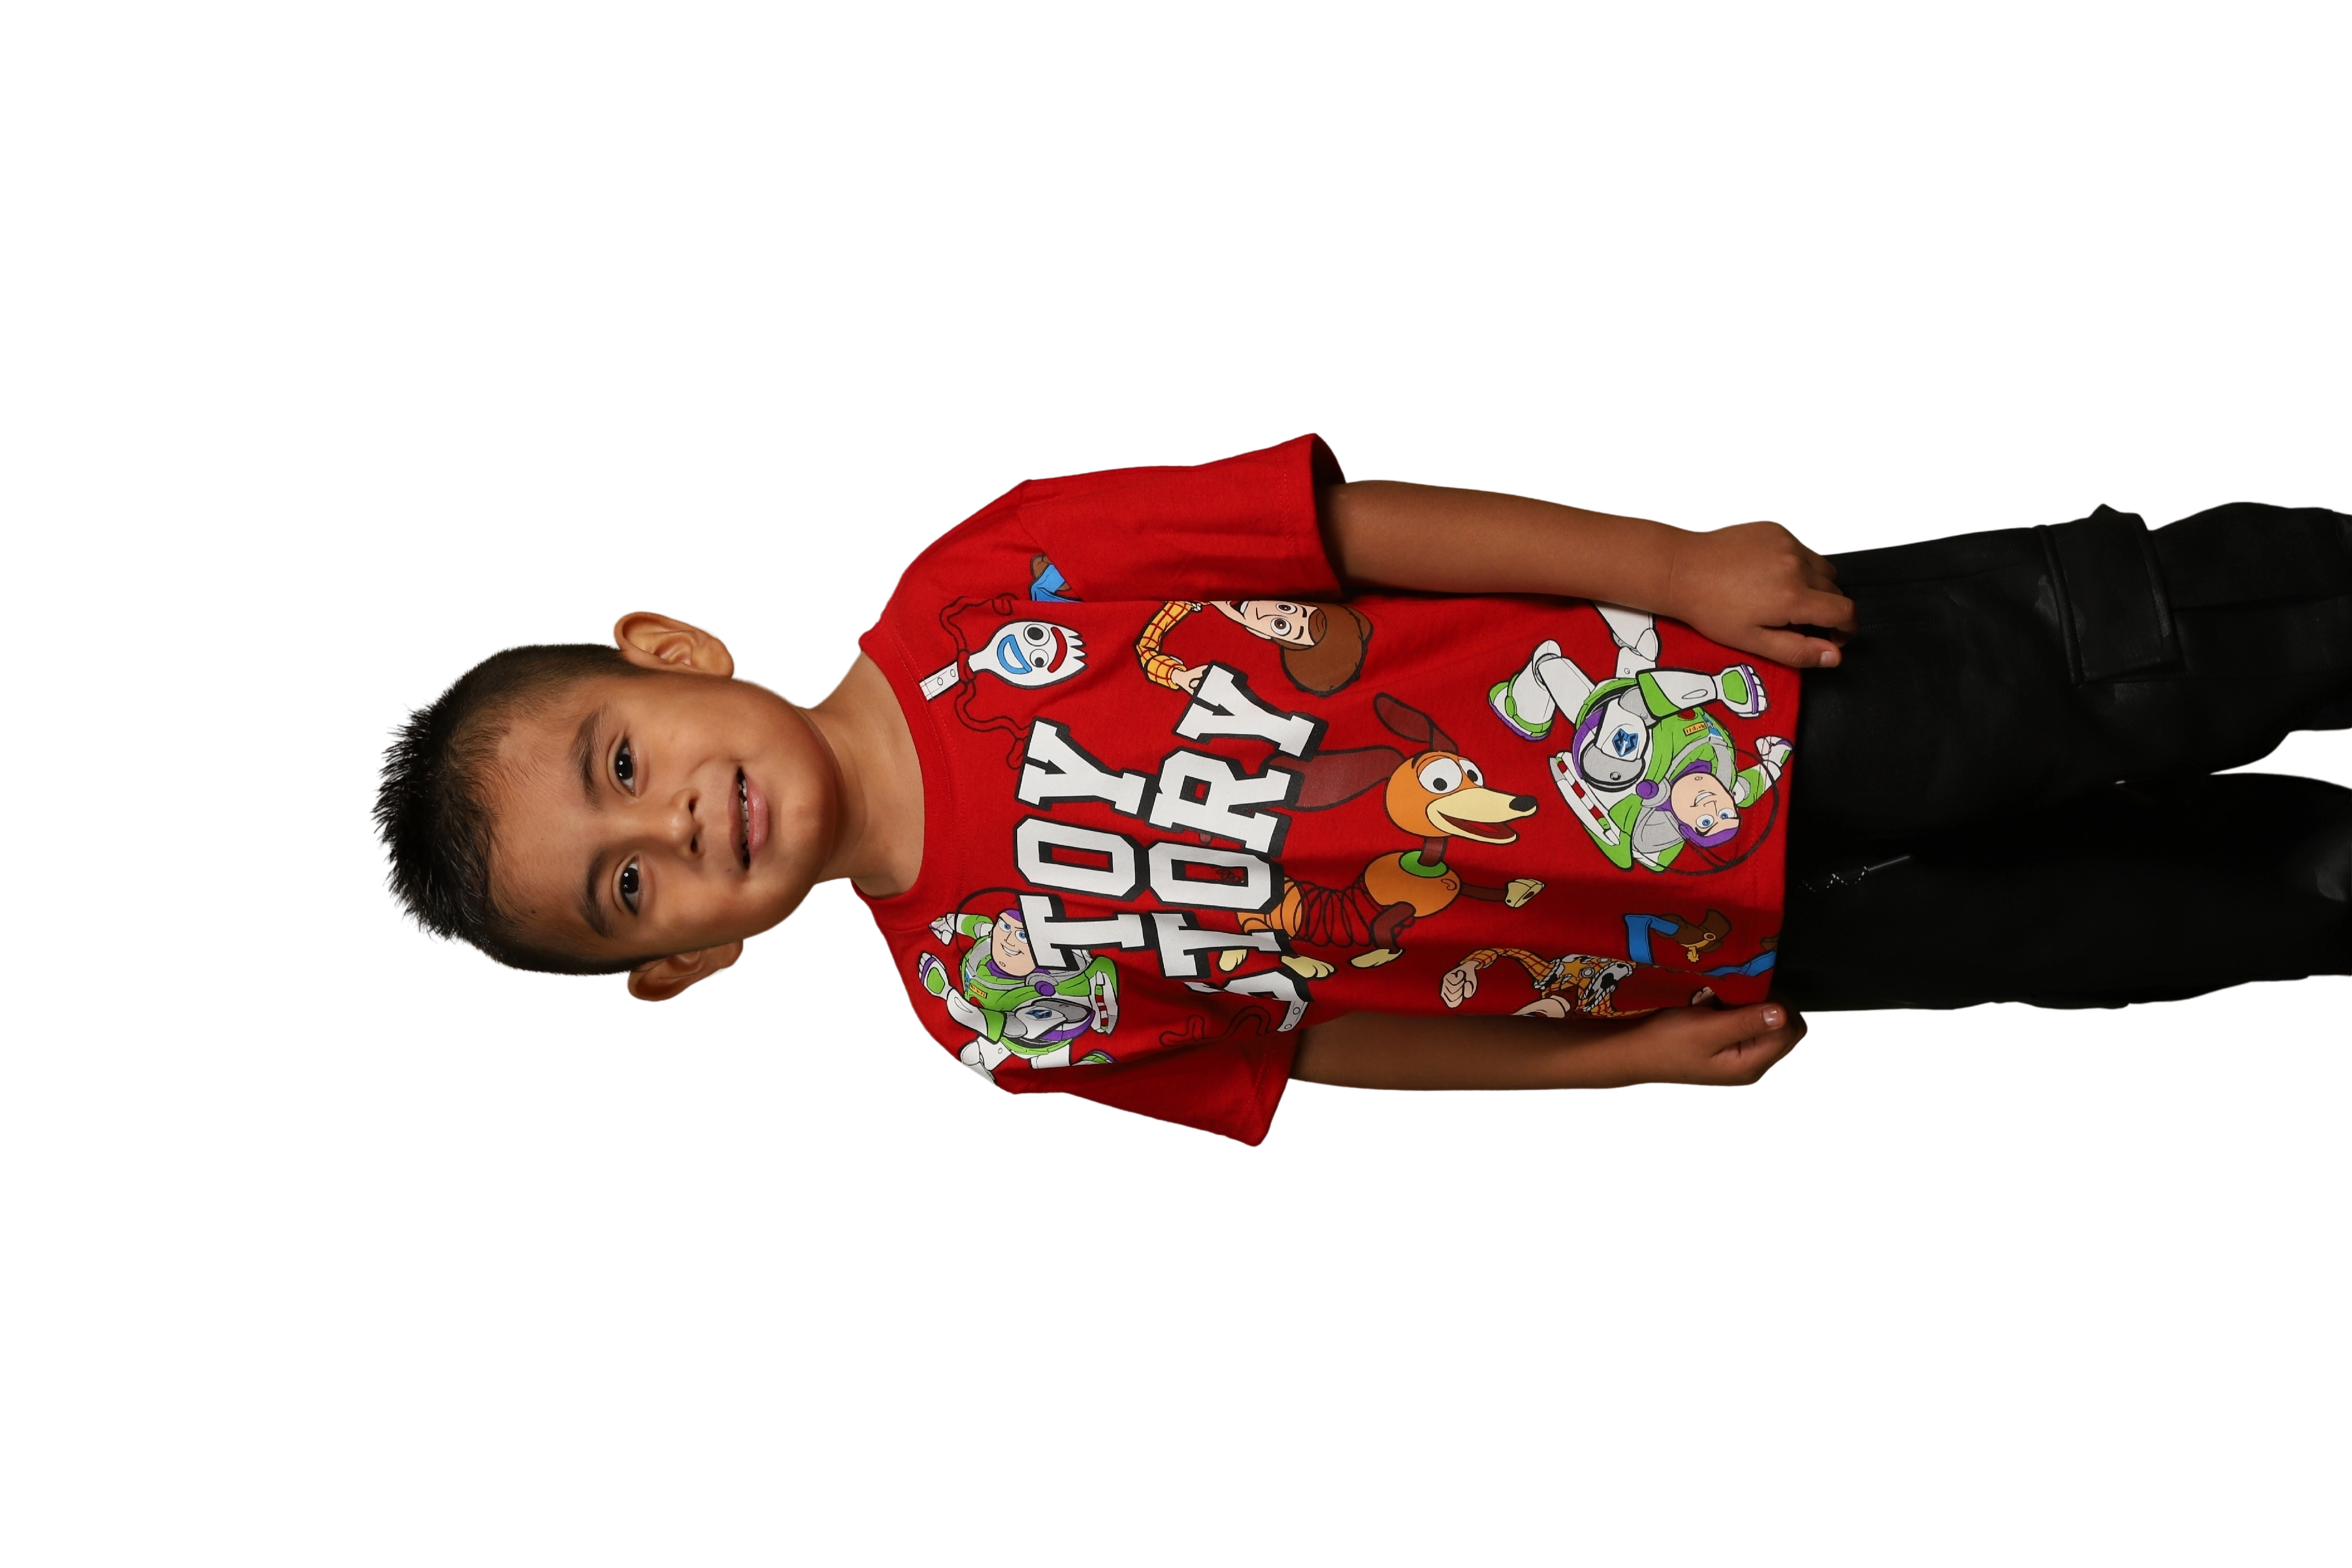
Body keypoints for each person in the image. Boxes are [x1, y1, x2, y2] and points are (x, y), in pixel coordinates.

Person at [366, 434, 2352, 1148]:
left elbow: (1337, 532)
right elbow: (1317, 1045)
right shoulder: (995, 1014)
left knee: (2159, 650)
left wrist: (1669, 564)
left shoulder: (988, 576)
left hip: (1736, 695)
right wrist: (1611, 1068)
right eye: (627, 888)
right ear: (687, 968)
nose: (672, 825)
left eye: (617, 765)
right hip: (1723, 939)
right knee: (2163, 916)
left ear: (673, 652)